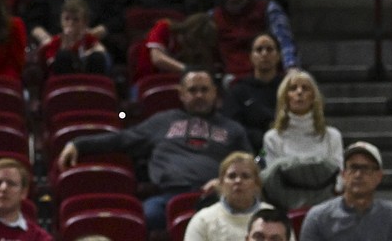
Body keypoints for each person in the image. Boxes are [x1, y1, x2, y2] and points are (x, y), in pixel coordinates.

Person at [57, 68, 250, 228]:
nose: (199, 95)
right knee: (141, 219)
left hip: (218, 197)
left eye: (204, 90)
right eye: (192, 90)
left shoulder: (233, 128)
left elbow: (253, 165)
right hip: (169, 196)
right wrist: (79, 143)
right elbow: (122, 139)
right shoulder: (162, 121)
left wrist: (225, 183)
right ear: (181, 94)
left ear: (215, 93)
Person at [260, 70, 344, 210]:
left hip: (327, 207)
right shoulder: (272, 138)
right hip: (285, 208)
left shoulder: (332, 136)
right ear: (285, 97)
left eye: (305, 88)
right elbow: (274, 181)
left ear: (313, 97)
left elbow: (339, 178)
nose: (299, 92)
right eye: (293, 88)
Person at [299, 142, 392, 241]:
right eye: (353, 168)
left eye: (366, 168)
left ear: (379, 176)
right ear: (343, 174)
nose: (358, 175)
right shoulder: (318, 217)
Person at [212, 0, 298, 80]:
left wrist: (291, 68)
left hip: (266, 78)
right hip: (228, 81)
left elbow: (285, 43)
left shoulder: (269, 9)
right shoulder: (212, 17)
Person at [184, 152, 276, 241]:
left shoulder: (274, 217)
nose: (238, 181)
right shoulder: (203, 220)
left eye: (245, 176)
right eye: (232, 176)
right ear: (221, 183)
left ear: (257, 184)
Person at [222, 34, 286, 152]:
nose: (264, 53)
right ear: (251, 56)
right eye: (259, 49)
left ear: (278, 56)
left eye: (269, 49)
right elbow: (232, 126)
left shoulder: (289, 88)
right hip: (250, 150)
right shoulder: (238, 90)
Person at [37, 0, 108, 76]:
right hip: (62, 80)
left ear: (85, 23)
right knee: (63, 56)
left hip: (86, 78)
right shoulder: (56, 41)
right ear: (61, 21)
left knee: (97, 57)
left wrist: (85, 55)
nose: (70, 23)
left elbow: (101, 51)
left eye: (76, 20)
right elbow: (51, 62)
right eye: (67, 19)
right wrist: (66, 45)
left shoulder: (87, 38)